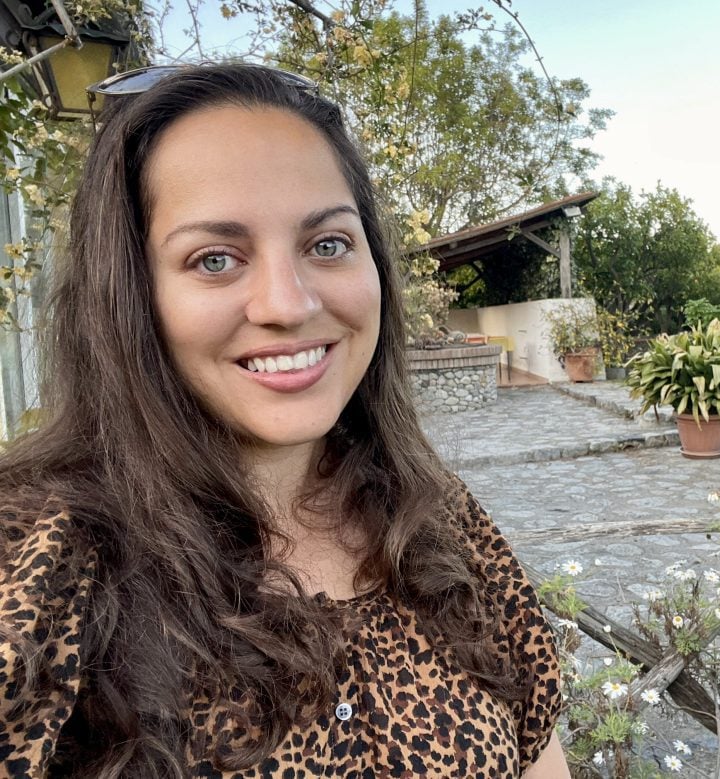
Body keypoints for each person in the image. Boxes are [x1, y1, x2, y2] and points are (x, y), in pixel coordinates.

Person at [0, 63, 568, 778]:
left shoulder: (440, 520)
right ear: (130, 294)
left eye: (326, 244)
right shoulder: (40, 560)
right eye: (214, 259)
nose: (288, 303)